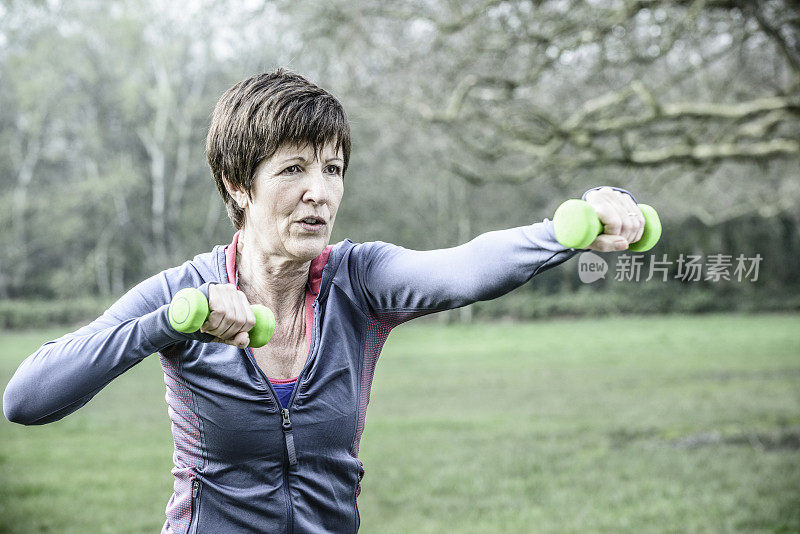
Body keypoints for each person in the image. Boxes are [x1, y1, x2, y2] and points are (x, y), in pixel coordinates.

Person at [3, 68, 646, 533]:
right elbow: (26, 399)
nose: (320, 192)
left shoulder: (359, 280)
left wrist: (567, 231)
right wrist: (167, 327)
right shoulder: (181, 294)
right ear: (238, 184)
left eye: (332, 169)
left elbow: (460, 270)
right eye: (293, 169)